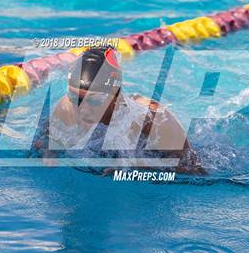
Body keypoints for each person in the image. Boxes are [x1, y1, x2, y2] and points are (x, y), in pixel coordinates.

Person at [35, 46, 206, 175]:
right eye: (75, 98)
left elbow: (194, 169)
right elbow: (47, 136)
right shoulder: (67, 107)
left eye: (94, 100)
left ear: (115, 96)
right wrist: (48, 152)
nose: (82, 108)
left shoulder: (152, 118)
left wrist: (137, 167)